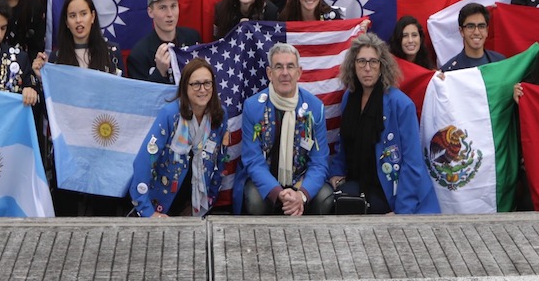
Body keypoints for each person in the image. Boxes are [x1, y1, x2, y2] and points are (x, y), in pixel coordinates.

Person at [328, 33, 439, 214]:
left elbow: (412, 163)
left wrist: (402, 211)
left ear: (382, 66)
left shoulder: (401, 105)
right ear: (353, 65)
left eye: (373, 62)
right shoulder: (349, 97)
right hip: (357, 182)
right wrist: (336, 173)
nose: (367, 68)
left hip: (392, 192)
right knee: (334, 203)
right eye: (361, 62)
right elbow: (345, 142)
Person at [233, 43, 333, 215]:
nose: (285, 73)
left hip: (301, 181)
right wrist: (278, 192)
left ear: (299, 72)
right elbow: (253, 160)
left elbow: (319, 161)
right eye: (278, 67)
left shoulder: (315, 108)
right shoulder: (253, 107)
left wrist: (301, 195)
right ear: (269, 73)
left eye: (290, 67)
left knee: (325, 197)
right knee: (255, 200)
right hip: (266, 182)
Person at [129, 58, 229, 217]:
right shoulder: (170, 115)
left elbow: (220, 160)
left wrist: (210, 199)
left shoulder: (220, 115)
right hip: (161, 204)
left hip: (198, 205)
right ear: (184, 87)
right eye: (196, 84)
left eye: (207, 83)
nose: (202, 89)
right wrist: (147, 211)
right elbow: (145, 161)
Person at [128, 0, 202, 83]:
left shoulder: (192, 38)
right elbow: (141, 96)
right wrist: (159, 72)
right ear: (150, 12)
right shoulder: (139, 55)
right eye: (163, 7)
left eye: (173, 6)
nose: (170, 14)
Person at [440, 4, 504, 71]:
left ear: (487, 31)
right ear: (461, 31)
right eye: (470, 26)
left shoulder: (500, 62)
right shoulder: (448, 71)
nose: (476, 32)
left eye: (481, 26)